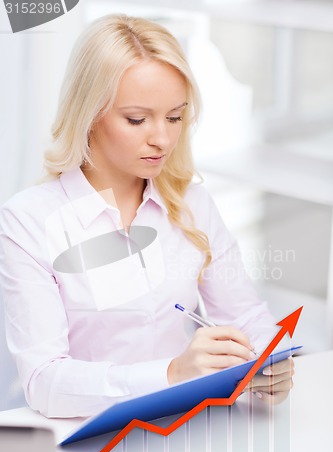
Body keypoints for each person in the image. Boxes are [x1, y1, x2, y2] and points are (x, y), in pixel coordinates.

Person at [0, 14, 293, 418]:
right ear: (89, 114)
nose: (163, 138)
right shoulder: (27, 221)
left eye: (175, 117)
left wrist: (272, 358)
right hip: (86, 440)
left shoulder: (192, 204)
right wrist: (171, 373)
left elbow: (243, 315)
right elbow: (45, 382)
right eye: (137, 119)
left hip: (188, 429)